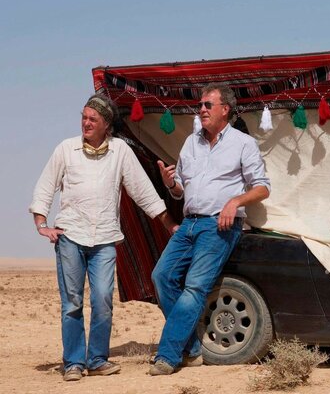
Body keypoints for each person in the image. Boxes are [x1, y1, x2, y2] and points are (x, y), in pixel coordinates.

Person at [29, 94, 178, 382]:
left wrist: (169, 224)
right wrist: (41, 223)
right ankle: (73, 362)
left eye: (92, 119)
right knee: (72, 302)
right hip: (70, 236)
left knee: (102, 300)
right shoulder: (66, 149)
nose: (85, 122)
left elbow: (143, 191)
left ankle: (96, 359)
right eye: (84, 117)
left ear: (106, 125)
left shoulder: (120, 151)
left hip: (105, 240)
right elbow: (45, 187)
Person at [149, 83, 271, 376]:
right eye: (200, 105)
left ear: (224, 110)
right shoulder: (191, 143)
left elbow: (263, 188)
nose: (201, 109)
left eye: (207, 105)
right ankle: (191, 349)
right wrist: (170, 183)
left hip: (219, 225)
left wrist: (235, 201)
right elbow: (180, 191)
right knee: (162, 276)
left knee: (194, 286)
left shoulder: (243, 143)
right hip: (188, 223)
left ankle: (167, 355)